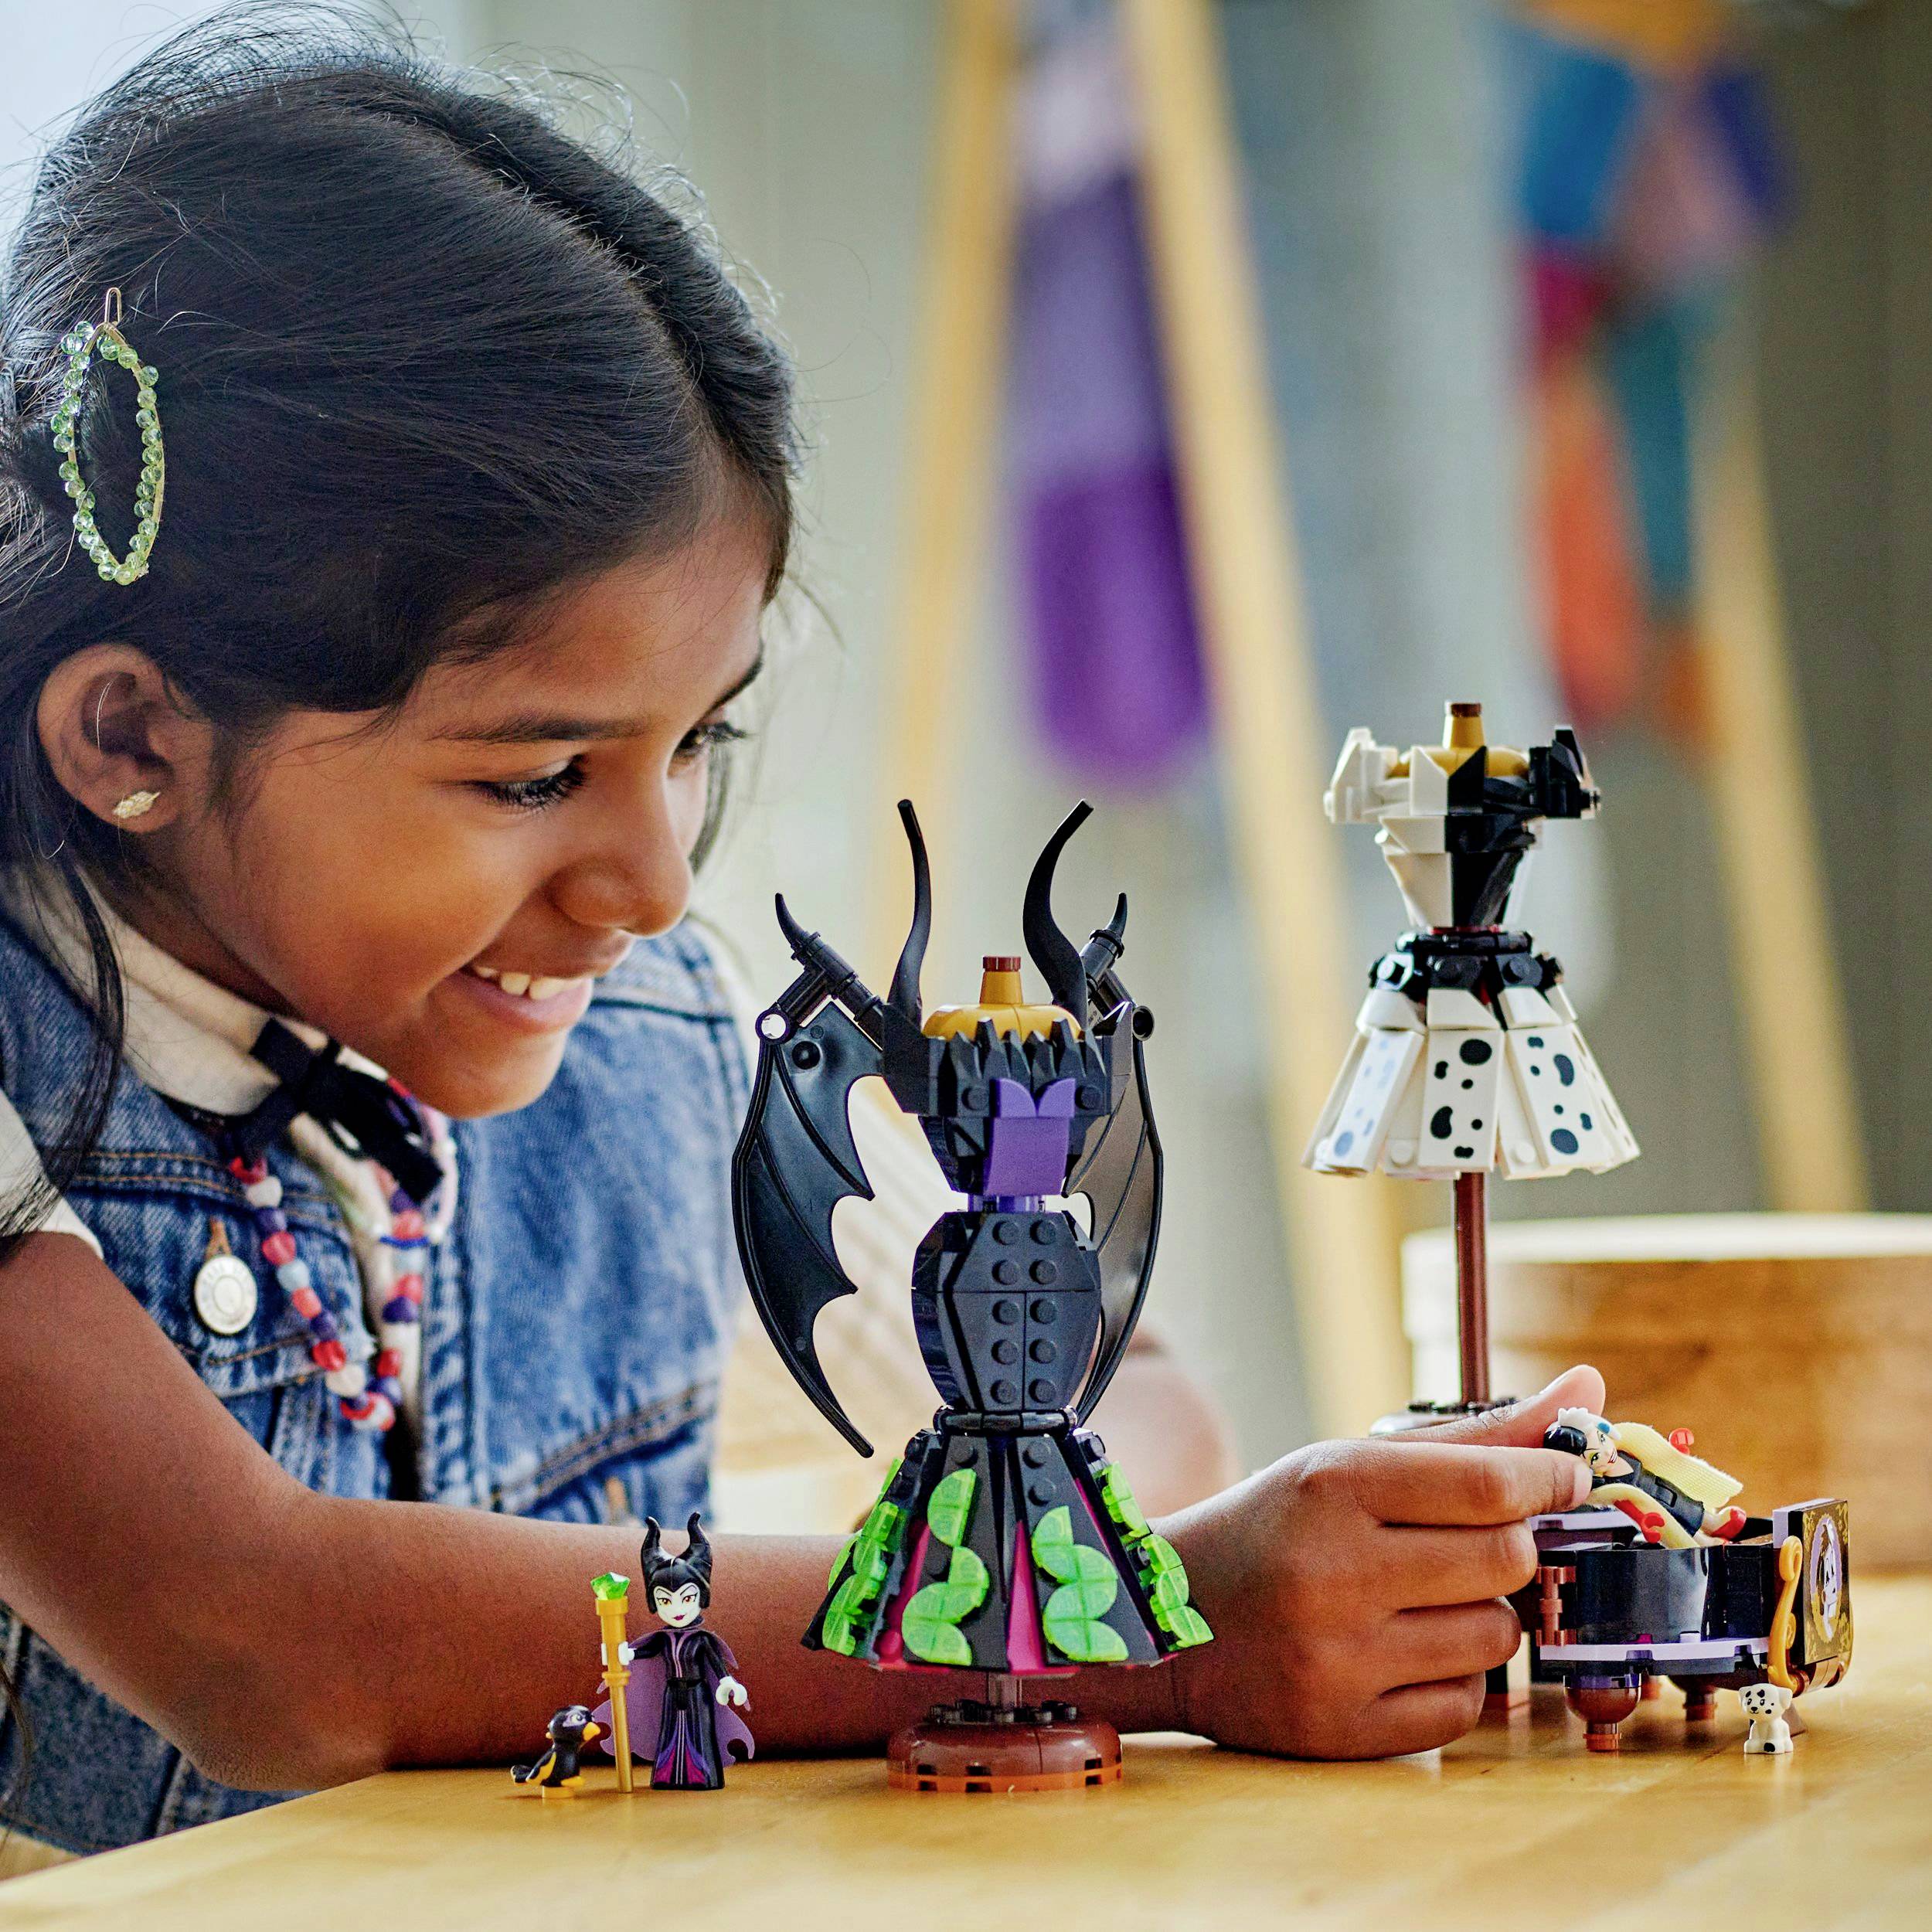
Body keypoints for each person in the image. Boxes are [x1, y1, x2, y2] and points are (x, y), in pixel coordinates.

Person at [0, 5, 1597, 1867]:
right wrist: (1124, 1628)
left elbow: (1130, 1404)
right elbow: (265, 1636)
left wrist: (1139, 1539)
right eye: (534, 776)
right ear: (133, 736)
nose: (656, 883)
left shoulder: (655, 1029)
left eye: (696, 744)